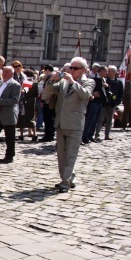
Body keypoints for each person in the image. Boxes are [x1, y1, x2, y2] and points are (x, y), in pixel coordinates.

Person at [43, 57, 95, 193]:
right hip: (61, 122)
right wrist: (52, 80)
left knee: (71, 154)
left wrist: (73, 82)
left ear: (83, 70)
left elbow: (86, 95)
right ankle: (67, 177)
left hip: (75, 123)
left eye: (75, 68)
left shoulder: (88, 82)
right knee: (61, 154)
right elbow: (47, 93)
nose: (71, 70)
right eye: (70, 68)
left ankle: (65, 182)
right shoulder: (63, 82)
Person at [95, 65, 123, 140]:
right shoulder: (104, 80)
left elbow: (121, 93)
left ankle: (107, 134)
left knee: (109, 120)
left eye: (109, 71)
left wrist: (117, 102)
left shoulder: (119, 82)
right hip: (104, 103)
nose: (108, 72)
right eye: (107, 71)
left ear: (114, 72)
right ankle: (97, 134)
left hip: (113, 103)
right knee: (100, 120)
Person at [83, 65, 108, 143]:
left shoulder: (103, 80)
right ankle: (85, 136)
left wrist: (107, 87)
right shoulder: (93, 79)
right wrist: (92, 93)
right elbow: (89, 88)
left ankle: (90, 135)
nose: (107, 73)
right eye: (106, 71)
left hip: (100, 102)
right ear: (101, 71)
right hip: (94, 102)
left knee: (95, 120)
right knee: (90, 119)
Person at [17, 68, 38, 142]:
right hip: (31, 102)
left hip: (23, 101)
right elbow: (36, 94)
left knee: (22, 117)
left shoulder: (24, 82)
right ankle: (35, 134)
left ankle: (21, 135)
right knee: (31, 117)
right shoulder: (35, 83)